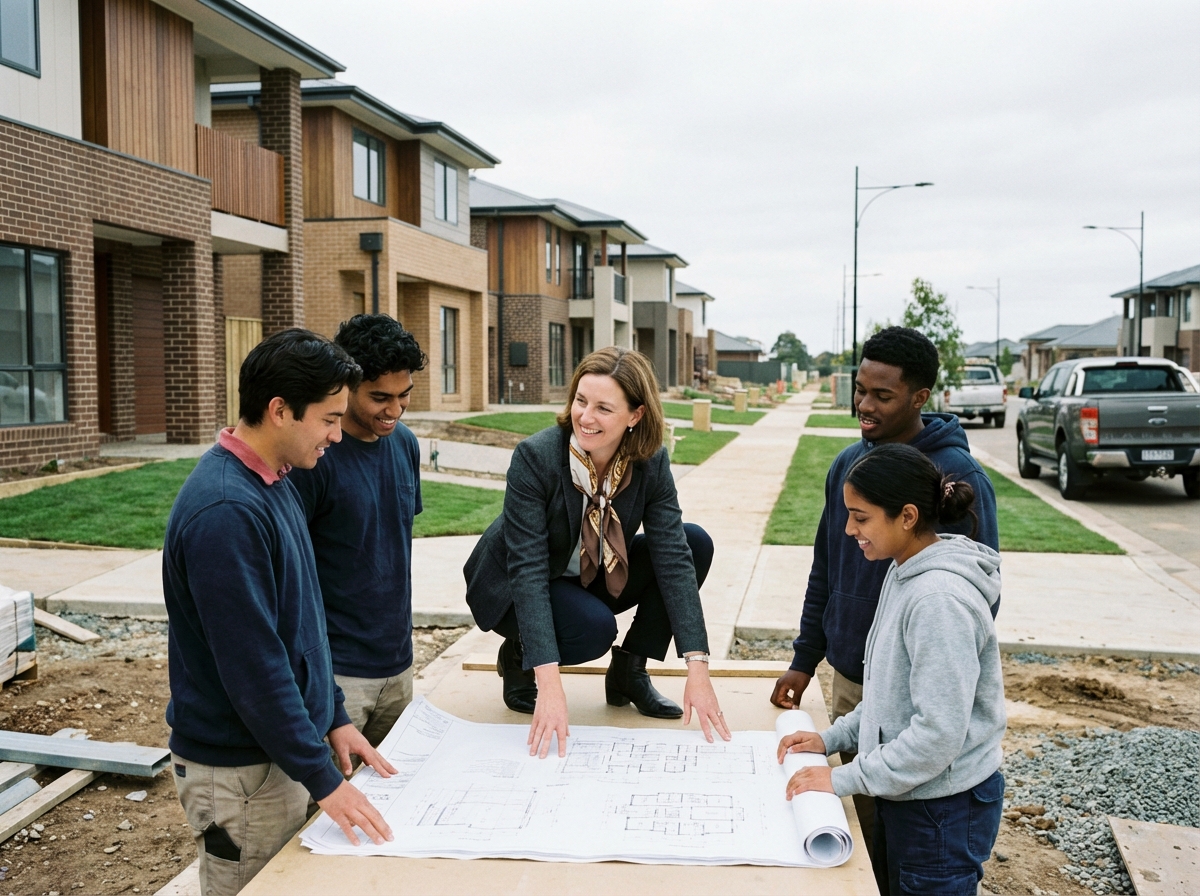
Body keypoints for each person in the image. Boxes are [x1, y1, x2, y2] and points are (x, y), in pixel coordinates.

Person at [164, 329, 395, 896]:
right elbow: (255, 668)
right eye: (329, 419)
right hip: (239, 771)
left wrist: (335, 716)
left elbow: (303, 620)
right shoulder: (226, 511)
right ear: (280, 410)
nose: (339, 436)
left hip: (275, 754)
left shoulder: (276, 481)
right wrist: (324, 780)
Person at [770, 326, 999, 850]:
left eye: (882, 395)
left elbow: (963, 618)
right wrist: (807, 658)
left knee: (914, 848)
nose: (863, 405)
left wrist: (932, 679)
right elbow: (826, 566)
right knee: (867, 838)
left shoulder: (956, 478)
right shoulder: (849, 467)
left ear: (919, 397)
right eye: (859, 389)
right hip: (860, 687)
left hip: (920, 704)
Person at [464, 347, 731, 759]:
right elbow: (528, 570)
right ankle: (519, 654)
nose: (585, 417)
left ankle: (629, 672)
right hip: (518, 585)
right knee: (593, 630)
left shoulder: (650, 461)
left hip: (595, 571)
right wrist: (550, 686)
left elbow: (673, 557)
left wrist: (698, 667)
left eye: (604, 408)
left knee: (694, 543)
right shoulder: (536, 458)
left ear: (635, 416)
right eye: (581, 401)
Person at [778, 442, 1005, 896]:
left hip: (942, 809)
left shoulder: (938, 600)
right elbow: (887, 697)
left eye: (861, 517)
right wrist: (831, 738)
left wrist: (840, 778)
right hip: (911, 792)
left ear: (907, 516)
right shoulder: (903, 572)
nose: (848, 529)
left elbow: (937, 734)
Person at [291, 314, 427, 749]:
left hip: (399, 664)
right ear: (347, 387)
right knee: (328, 810)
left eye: (404, 395)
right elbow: (291, 576)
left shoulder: (405, 443)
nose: (395, 409)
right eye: (380, 397)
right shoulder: (313, 459)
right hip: (338, 673)